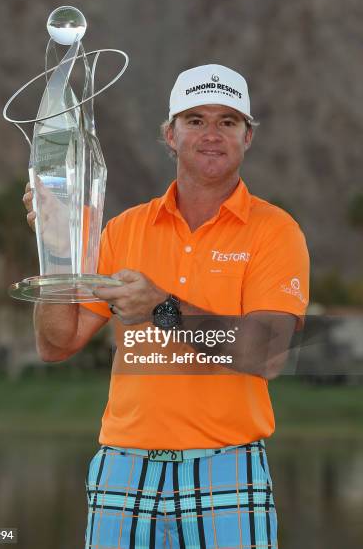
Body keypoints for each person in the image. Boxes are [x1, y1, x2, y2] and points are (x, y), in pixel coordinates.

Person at [23, 63, 309, 548]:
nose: (211, 134)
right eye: (195, 120)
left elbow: (268, 354)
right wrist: (58, 253)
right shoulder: (124, 229)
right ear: (170, 135)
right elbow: (56, 344)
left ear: (248, 137)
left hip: (227, 467)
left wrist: (162, 308)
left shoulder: (275, 231)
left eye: (227, 121)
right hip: (122, 465)